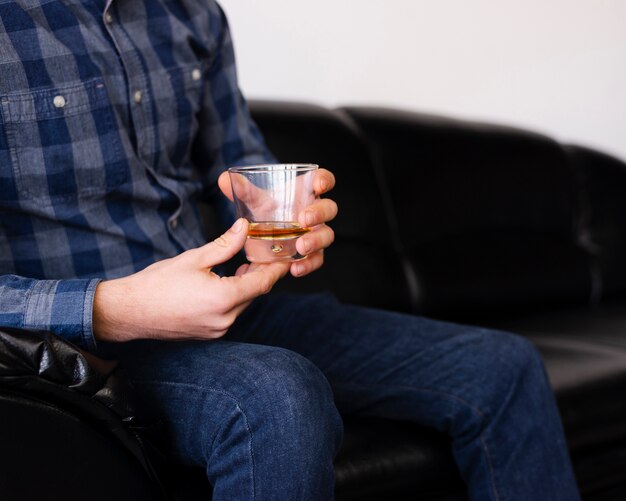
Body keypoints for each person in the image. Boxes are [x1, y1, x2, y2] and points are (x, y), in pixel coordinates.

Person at [0, 1, 580, 499]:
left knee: (507, 367)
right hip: (76, 345)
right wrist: (118, 307)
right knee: (276, 395)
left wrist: (288, 218)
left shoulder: (189, 13)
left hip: (224, 309)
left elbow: (239, 174)